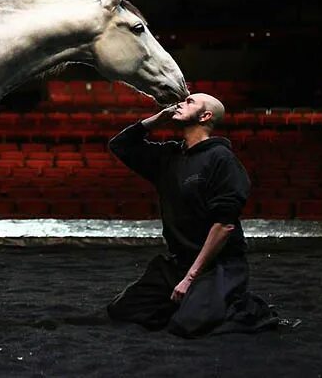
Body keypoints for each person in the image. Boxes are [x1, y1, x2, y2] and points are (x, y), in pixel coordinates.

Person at [106, 93, 278, 337]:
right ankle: (195, 301)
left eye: (190, 102)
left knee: (187, 325)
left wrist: (190, 278)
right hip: (179, 262)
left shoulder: (222, 158)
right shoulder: (168, 157)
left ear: (205, 116)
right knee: (123, 310)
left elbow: (224, 226)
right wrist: (156, 121)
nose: (179, 104)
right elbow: (119, 145)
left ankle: (248, 307)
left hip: (218, 265)